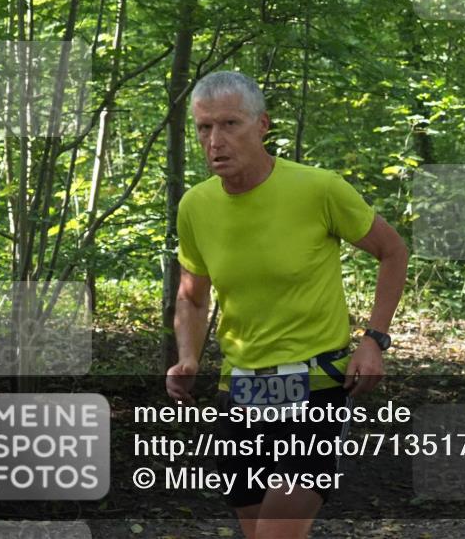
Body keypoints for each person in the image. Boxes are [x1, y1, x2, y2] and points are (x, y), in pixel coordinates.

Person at [165, 71, 408, 539]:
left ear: (262, 125)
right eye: (204, 127)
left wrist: (373, 340)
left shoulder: (318, 189)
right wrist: (189, 357)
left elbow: (392, 251)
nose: (215, 141)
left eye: (230, 124)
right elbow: (192, 297)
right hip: (239, 390)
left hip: (315, 385)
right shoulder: (195, 206)